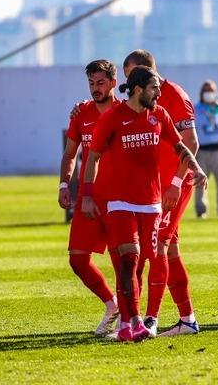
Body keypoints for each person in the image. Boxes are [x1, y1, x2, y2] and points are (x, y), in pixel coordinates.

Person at [81, 66, 206, 342]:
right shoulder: (113, 117)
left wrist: (196, 168)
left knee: (148, 259)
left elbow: (179, 145)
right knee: (129, 261)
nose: (159, 93)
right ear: (138, 89)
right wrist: (88, 195)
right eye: (154, 88)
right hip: (120, 202)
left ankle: (134, 321)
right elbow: (92, 158)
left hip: (151, 203)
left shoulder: (159, 114)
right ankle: (132, 322)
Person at [120, 50, 200, 337]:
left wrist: (176, 183)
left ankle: (150, 320)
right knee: (170, 251)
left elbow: (191, 142)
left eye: (129, 76)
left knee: (158, 248)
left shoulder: (173, 94)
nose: (128, 84)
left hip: (172, 186)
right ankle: (187, 318)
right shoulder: (142, 98)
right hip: (154, 188)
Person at [58, 59, 122, 337]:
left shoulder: (126, 111)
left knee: (123, 261)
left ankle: (130, 317)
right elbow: (71, 154)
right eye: (91, 83)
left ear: (113, 83)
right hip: (88, 197)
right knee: (78, 259)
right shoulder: (81, 113)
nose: (96, 88)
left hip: (120, 198)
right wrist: (64, 184)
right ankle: (113, 305)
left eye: (100, 83)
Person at [194, 80, 218, 219]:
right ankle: (201, 210)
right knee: (200, 182)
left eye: (211, 90)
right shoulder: (196, 108)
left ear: (216, 92)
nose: (208, 93)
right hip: (202, 150)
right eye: (206, 90)